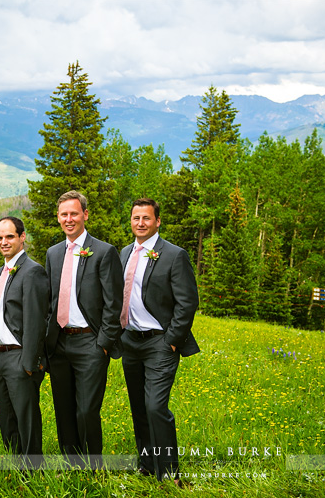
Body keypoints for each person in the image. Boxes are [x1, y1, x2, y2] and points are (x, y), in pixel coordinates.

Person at [120, 198, 199, 485]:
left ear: (157, 221)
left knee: (155, 407)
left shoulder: (174, 255)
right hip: (130, 342)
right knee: (139, 407)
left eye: (146, 218)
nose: (140, 223)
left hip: (160, 343)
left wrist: (172, 341)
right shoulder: (125, 252)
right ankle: (147, 465)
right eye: (135, 218)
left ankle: (170, 474)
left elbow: (187, 302)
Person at [44, 190, 123, 468]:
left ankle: (92, 466)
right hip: (59, 344)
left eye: (74, 213)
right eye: (64, 214)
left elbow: (114, 303)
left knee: (87, 409)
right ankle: (70, 462)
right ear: (58, 217)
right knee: (64, 409)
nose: (69, 219)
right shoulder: (53, 253)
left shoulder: (103, 251)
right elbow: (50, 300)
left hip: (90, 342)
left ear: (85, 215)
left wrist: (103, 343)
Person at [0, 216, 48, 469]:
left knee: (26, 417)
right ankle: (15, 463)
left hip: (20, 357)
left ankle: (33, 468)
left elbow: (36, 320)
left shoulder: (33, 271)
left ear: (22, 237)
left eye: (9, 236)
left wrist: (29, 362)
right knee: (6, 417)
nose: (4, 242)